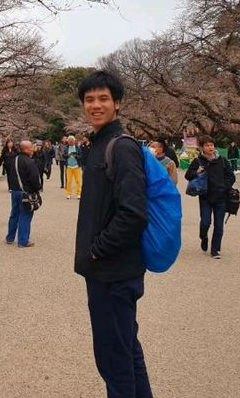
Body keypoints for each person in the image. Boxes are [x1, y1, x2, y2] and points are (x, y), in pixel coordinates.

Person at [74, 70, 152, 398]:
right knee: (126, 351)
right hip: (109, 271)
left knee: (112, 358)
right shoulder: (98, 144)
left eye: (103, 98)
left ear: (117, 103)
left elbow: (133, 213)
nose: (96, 105)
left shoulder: (121, 148)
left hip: (113, 273)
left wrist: (96, 250)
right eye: (89, 99)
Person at [185, 135, 235, 259]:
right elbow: (188, 175)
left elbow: (231, 176)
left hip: (221, 198)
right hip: (205, 197)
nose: (210, 147)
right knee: (205, 222)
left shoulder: (222, 160)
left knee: (219, 225)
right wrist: (197, 172)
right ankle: (204, 237)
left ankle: (215, 250)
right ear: (202, 147)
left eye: (211, 144)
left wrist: (225, 187)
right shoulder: (198, 161)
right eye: (207, 145)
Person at [5, 140, 41, 248]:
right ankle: (23, 240)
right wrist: (37, 189)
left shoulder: (14, 159)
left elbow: (10, 175)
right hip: (26, 192)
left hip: (15, 191)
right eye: (31, 147)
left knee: (14, 214)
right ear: (26, 149)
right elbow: (34, 179)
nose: (33, 149)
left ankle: (10, 237)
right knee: (25, 215)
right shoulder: (29, 162)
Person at [65, 135, 83, 200]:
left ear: (74, 141)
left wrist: (75, 156)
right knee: (69, 181)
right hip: (69, 166)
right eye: (69, 141)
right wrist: (68, 155)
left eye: (72, 141)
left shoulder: (77, 147)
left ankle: (78, 193)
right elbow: (64, 155)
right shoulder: (66, 148)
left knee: (78, 181)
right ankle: (68, 194)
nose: (71, 142)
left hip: (76, 166)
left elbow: (81, 156)